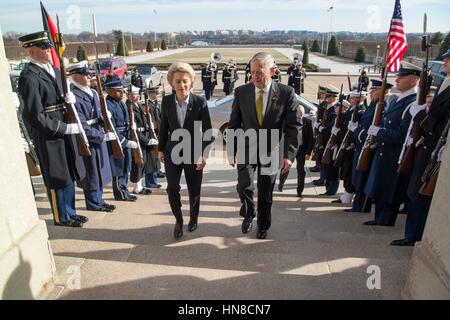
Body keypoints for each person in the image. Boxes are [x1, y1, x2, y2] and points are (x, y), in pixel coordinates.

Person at [227, 52, 302, 239]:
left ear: (273, 71)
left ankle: (263, 224)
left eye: (260, 72)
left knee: (266, 191)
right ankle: (248, 212)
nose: (255, 77)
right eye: (252, 72)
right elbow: (233, 124)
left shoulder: (286, 93)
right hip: (247, 148)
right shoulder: (241, 92)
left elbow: (294, 127)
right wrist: (232, 150)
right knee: (244, 185)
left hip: (272, 150)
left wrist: (289, 156)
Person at [18, 31, 87, 227]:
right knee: (56, 176)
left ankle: (71, 212)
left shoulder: (55, 71)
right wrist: (63, 128)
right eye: (43, 47)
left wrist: (69, 100)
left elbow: (61, 94)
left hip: (66, 128)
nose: (49, 49)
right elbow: (35, 115)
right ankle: (61, 216)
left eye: (48, 46)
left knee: (69, 172)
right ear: (31, 51)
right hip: (50, 133)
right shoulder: (29, 76)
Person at [391, 49, 450, 246]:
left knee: (421, 195)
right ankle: (411, 235)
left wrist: (420, 115)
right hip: (427, 146)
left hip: (435, 150)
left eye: (448, 60)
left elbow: (441, 126)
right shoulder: (445, 83)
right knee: (416, 192)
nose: (445, 63)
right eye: (445, 59)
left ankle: (414, 237)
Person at [158, 62, 213, 239]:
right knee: (172, 188)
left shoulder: (199, 102)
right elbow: (164, 127)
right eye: (178, 81)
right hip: (172, 152)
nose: (182, 85)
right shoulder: (166, 101)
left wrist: (203, 155)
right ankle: (178, 220)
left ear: (191, 82)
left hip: (193, 152)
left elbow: (208, 132)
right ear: (171, 83)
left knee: (194, 189)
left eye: (185, 81)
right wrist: (160, 149)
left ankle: (194, 219)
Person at [363, 62, 420, 227]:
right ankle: (380, 217)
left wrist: (378, 132)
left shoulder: (411, 103)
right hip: (385, 152)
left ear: (413, 81)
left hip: (394, 155)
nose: (397, 80)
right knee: (381, 187)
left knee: (390, 189)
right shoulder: (398, 100)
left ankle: (386, 219)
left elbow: (401, 135)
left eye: (401, 77)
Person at [67, 61, 116, 213]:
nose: (89, 76)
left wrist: (104, 117)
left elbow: (98, 113)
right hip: (87, 138)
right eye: (85, 74)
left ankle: (99, 199)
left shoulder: (93, 92)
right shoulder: (74, 95)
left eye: (88, 73)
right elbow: (81, 123)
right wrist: (101, 136)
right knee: (91, 172)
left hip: (98, 132)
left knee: (99, 170)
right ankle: (93, 202)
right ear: (75, 77)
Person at [348, 79, 393, 213]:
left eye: (374, 91)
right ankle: (357, 204)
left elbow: (372, 129)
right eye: (371, 90)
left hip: (368, 146)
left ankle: (362, 206)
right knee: (358, 178)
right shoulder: (372, 105)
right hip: (361, 145)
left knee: (363, 178)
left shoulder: (382, 107)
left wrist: (357, 131)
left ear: (382, 92)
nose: (371, 93)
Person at [105, 79, 138, 202]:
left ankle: (125, 191)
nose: (122, 93)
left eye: (122, 91)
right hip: (117, 141)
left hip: (126, 135)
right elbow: (111, 127)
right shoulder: (108, 105)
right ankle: (120, 193)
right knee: (118, 168)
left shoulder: (121, 103)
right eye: (119, 91)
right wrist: (124, 141)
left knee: (125, 167)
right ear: (110, 91)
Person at [332, 91, 367, 205]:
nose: (350, 100)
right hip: (345, 142)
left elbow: (354, 130)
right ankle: (346, 194)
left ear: (360, 99)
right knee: (345, 170)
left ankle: (348, 195)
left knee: (348, 171)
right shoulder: (352, 110)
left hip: (351, 146)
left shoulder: (361, 111)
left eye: (352, 98)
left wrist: (352, 142)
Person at [278, 105, 313, 197]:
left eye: (301, 113)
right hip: (291, 149)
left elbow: (310, 139)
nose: (300, 115)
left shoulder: (307, 122)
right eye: (299, 113)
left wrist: (309, 152)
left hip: (302, 149)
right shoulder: (289, 121)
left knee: (300, 170)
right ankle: (281, 184)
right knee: (285, 167)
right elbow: (283, 135)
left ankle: (299, 191)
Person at [126, 85, 154, 195]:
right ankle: (137, 187)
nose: (138, 96)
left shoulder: (136, 105)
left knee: (142, 162)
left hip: (143, 135)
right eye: (135, 94)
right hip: (137, 138)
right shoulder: (129, 107)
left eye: (138, 94)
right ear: (129, 95)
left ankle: (139, 186)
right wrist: (146, 140)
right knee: (137, 162)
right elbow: (134, 128)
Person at [145, 86, 163, 188]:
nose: (157, 95)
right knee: (151, 158)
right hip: (152, 132)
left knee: (156, 156)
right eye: (155, 93)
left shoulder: (156, 104)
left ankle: (156, 174)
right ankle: (151, 181)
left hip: (158, 132)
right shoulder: (147, 105)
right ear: (150, 93)